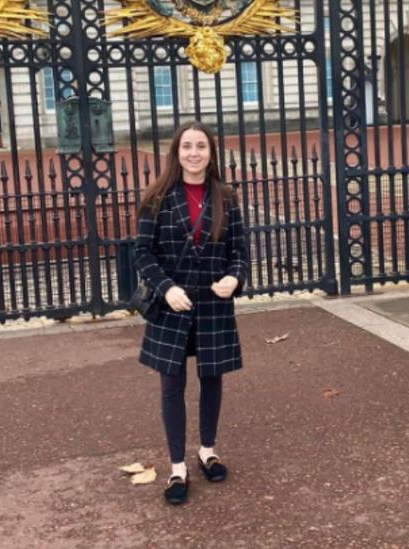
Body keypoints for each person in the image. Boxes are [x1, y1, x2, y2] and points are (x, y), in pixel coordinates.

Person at [134, 120, 248, 505]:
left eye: (201, 146)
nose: (194, 153)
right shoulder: (156, 197)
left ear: (211, 152)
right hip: (173, 305)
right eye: (187, 146)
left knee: (212, 378)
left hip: (214, 302)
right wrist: (167, 289)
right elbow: (143, 254)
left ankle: (208, 450)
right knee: (172, 385)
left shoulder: (226, 198)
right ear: (176, 152)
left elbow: (240, 252)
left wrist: (234, 278)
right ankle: (177, 467)